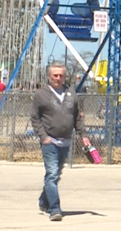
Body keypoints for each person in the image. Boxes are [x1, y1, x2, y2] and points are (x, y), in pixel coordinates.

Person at [31, 62, 90, 222]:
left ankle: (43, 201)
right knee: (52, 174)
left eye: (61, 75)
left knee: (56, 175)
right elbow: (35, 118)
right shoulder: (41, 94)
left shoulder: (71, 93)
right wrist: (44, 137)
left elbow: (77, 117)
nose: (58, 78)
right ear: (49, 77)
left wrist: (83, 135)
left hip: (65, 141)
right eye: (55, 75)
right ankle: (54, 208)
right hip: (49, 141)